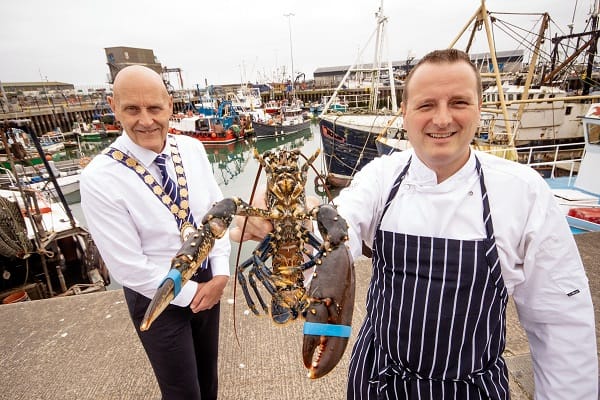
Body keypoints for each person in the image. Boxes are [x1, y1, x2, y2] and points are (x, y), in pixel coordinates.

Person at [230, 49, 598, 399]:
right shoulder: (380, 177)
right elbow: (339, 231)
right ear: (404, 112)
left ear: (479, 108)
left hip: (469, 389)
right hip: (377, 382)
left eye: (458, 102)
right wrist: (285, 228)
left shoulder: (525, 192)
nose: (441, 119)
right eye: (426, 105)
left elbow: (561, 324)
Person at [80, 65, 230, 400]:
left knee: (209, 382)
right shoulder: (99, 178)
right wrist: (193, 294)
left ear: (170, 106)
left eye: (154, 108)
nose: (145, 120)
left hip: (207, 278)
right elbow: (126, 267)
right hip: (154, 292)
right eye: (132, 109)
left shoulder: (192, 149)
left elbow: (218, 213)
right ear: (113, 106)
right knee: (181, 392)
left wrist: (220, 272)